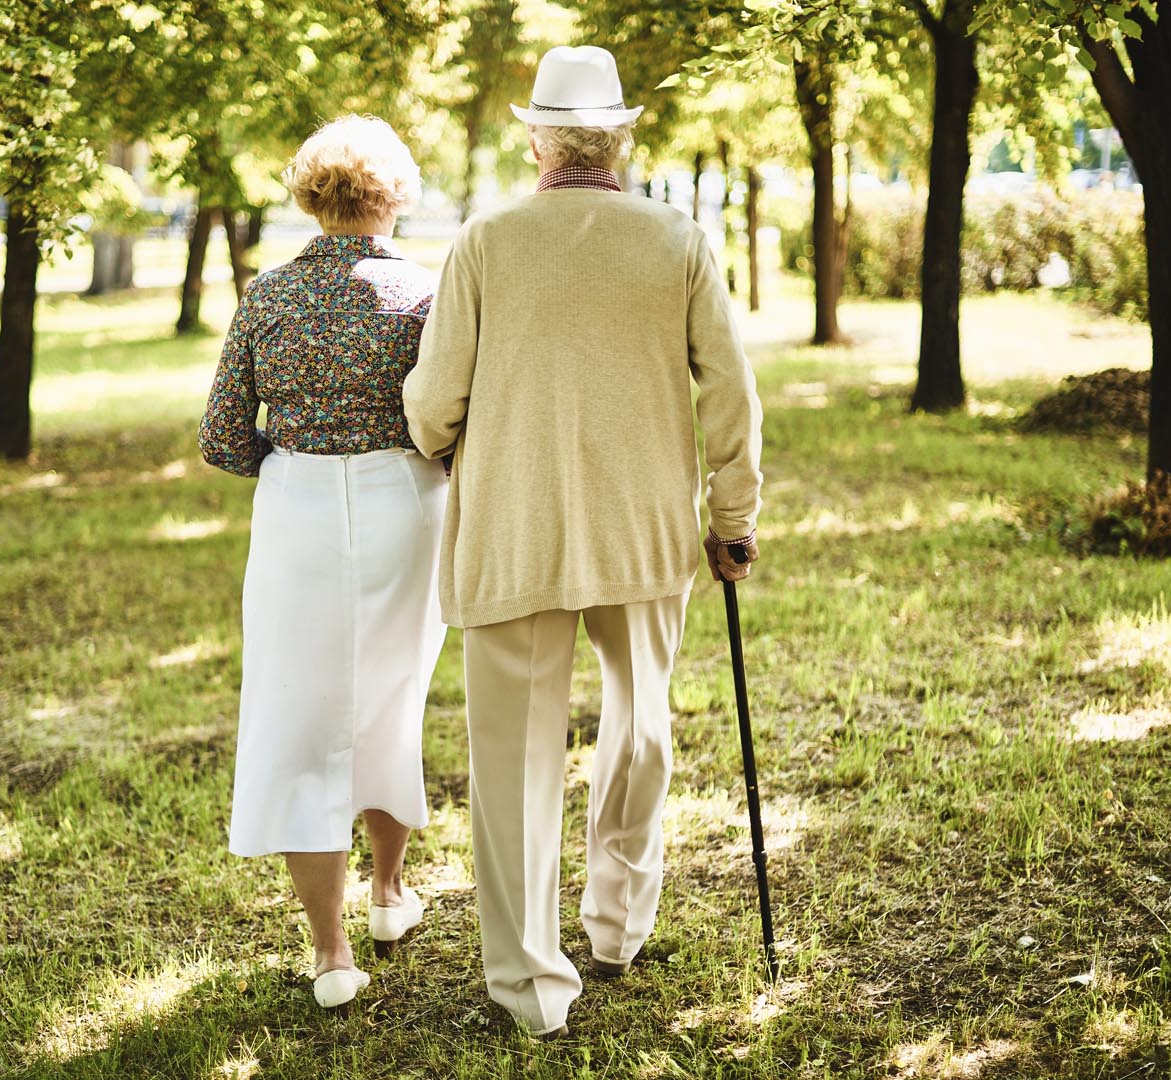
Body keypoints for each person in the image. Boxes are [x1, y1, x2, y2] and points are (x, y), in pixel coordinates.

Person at [402, 45, 764, 1037]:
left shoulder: (485, 240)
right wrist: (732, 518)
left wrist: (432, 438)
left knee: (514, 759)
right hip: (640, 529)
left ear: (535, 139)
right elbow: (729, 390)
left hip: (517, 526)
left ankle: (529, 987)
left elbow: (436, 400)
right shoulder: (678, 240)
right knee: (641, 726)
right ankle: (616, 925)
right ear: (621, 136)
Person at [199, 115, 446, 1010]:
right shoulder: (425, 294)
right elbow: (452, 423)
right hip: (404, 510)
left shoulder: (266, 295)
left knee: (302, 716)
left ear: (309, 194)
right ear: (394, 195)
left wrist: (299, 465)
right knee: (390, 699)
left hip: (298, 515)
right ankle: (387, 897)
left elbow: (224, 440)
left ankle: (331, 953)